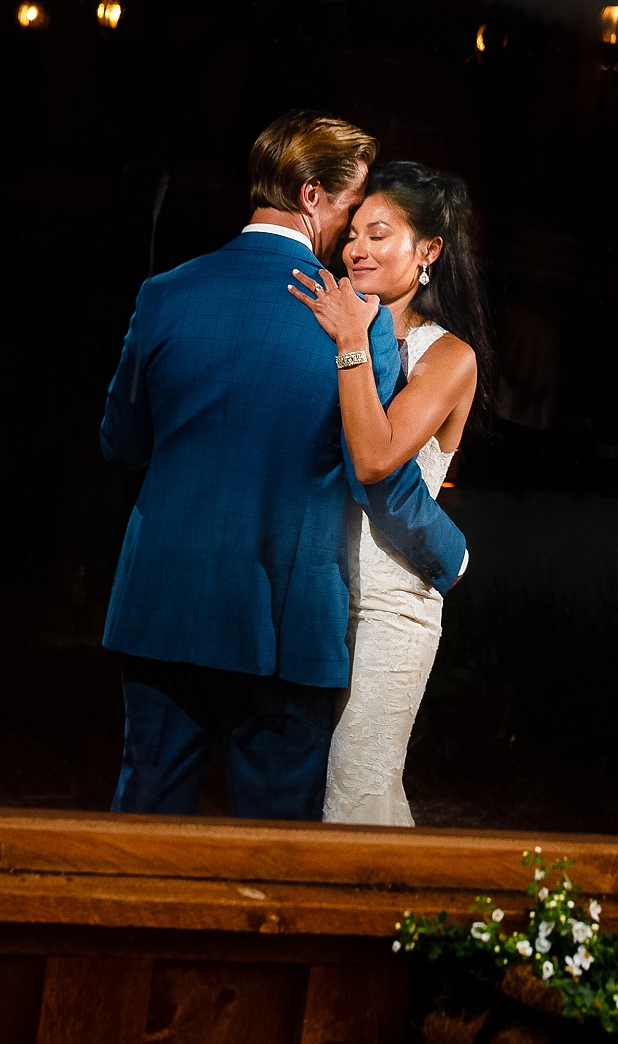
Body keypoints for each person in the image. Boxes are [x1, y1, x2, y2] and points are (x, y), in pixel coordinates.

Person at [98, 113, 468, 818]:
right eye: (352, 207)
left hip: (164, 603)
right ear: (311, 196)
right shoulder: (353, 318)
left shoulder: (164, 293)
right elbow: (379, 478)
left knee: (143, 829)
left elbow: (120, 441)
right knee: (276, 851)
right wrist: (451, 553)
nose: (353, 230)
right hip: (284, 620)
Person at [293, 161, 488, 826]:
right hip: (319, 590)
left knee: (358, 786)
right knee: (321, 795)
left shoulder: (448, 356)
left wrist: (352, 341)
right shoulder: (330, 323)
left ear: (428, 250)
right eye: (352, 233)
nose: (357, 248)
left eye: (379, 232)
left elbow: (375, 457)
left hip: (392, 605)